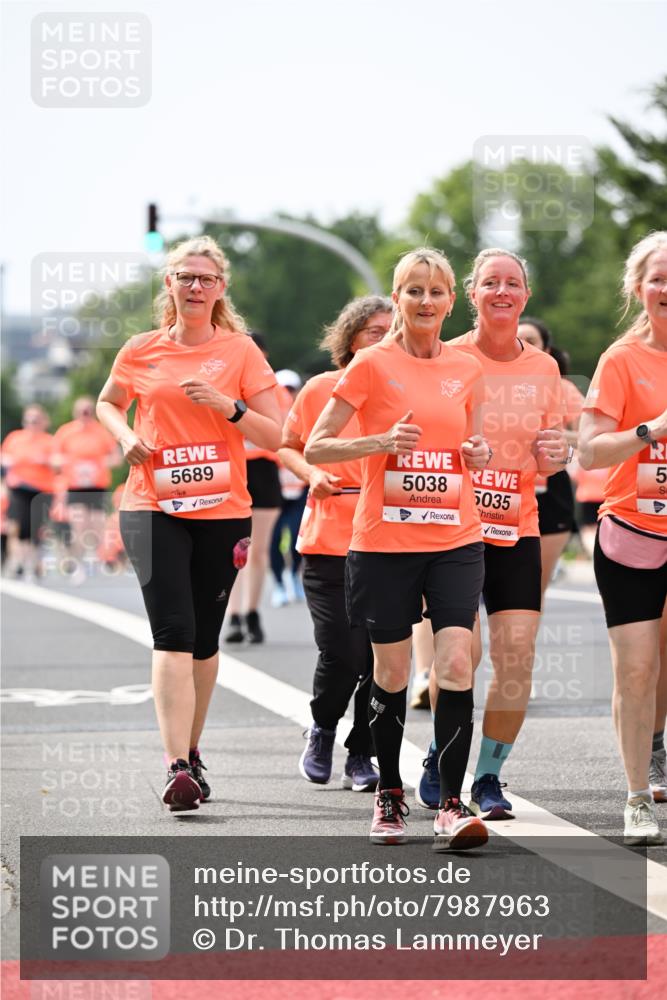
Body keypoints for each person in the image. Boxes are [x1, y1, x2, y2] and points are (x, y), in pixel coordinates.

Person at [306, 248, 491, 850]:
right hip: (384, 541)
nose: (425, 302)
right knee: (389, 670)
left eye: (436, 291)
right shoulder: (369, 363)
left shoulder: (468, 368)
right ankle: (389, 793)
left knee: (456, 663)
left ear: (450, 301)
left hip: (456, 536)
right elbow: (315, 446)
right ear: (397, 297)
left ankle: (452, 804)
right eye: (413, 291)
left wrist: (478, 455)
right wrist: (381, 441)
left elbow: (475, 440)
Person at [97, 235, 281, 813]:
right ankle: (177, 765)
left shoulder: (241, 352)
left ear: (221, 289)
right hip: (151, 506)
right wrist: (127, 435)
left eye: (206, 278)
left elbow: (280, 435)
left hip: (222, 511)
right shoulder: (141, 349)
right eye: (184, 277)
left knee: (203, 641)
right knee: (172, 633)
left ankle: (193, 750)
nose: (195, 286)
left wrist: (229, 407)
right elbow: (107, 401)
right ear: (169, 285)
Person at [417, 250, 567, 819]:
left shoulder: (544, 368)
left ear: (525, 295)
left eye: (513, 283)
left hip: (516, 526)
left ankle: (487, 778)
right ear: (470, 293)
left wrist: (556, 454)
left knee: (517, 656)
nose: (502, 291)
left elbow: (551, 457)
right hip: (449, 526)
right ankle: (441, 753)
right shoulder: (444, 356)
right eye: (490, 283)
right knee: (461, 654)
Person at [279, 295, 392, 791]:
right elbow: (289, 445)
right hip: (329, 540)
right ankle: (323, 727)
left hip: (393, 541)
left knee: (382, 658)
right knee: (343, 652)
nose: (385, 338)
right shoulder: (322, 389)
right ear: (349, 339)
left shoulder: (407, 388)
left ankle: (362, 752)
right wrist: (312, 472)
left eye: (393, 330)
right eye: (374, 331)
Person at [578, 231, 667, 845]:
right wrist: (651, 428)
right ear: (639, 288)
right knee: (637, 669)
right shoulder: (622, 360)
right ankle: (638, 796)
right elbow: (588, 451)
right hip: (635, 531)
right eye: (659, 277)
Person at [224, 332, 284, 644]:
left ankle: (252, 611)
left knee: (258, 549)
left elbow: (285, 433)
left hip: (263, 469)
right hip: (232, 467)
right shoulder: (224, 386)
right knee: (235, 549)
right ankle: (232, 614)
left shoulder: (275, 391)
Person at [517, 319, 584, 597]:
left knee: (532, 590)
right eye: (517, 339)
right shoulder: (491, 381)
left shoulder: (563, 388)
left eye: (531, 340)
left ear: (546, 349)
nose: (523, 345)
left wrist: (551, 435)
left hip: (550, 493)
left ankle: (523, 642)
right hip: (501, 492)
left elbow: (588, 438)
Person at [52, 396, 121, 583]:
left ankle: (96, 560)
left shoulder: (101, 432)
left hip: (97, 486)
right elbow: (54, 458)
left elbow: (116, 457)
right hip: (75, 487)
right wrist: (72, 463)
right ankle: (78, 565)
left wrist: (98, 464)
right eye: (82, 411)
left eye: (88, 411)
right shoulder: (66, 432)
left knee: (97, 527)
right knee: (79, 527)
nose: (85, 415)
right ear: (75, 412)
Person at [1, 404, 55, 579]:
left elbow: (59, 462)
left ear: (42, 422)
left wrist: (44, 460)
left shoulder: (49, 441)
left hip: (41, 490)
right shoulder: (15, 438)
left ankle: (32, 562)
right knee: (16, 526)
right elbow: (4, 457)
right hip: (19, 487)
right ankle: (17, 562)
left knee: (34, 529)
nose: (32, 424)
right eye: (29, 420)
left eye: (36, 420)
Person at [270, 369, 308, 606]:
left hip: (300, 488)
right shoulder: (269, 418)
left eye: (291, 389)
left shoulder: (305, 417)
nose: (287, 394)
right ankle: (277, 584)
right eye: (282, 390)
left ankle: (293, 575)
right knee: (273, 541)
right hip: (275, 490)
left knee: (296, 538)